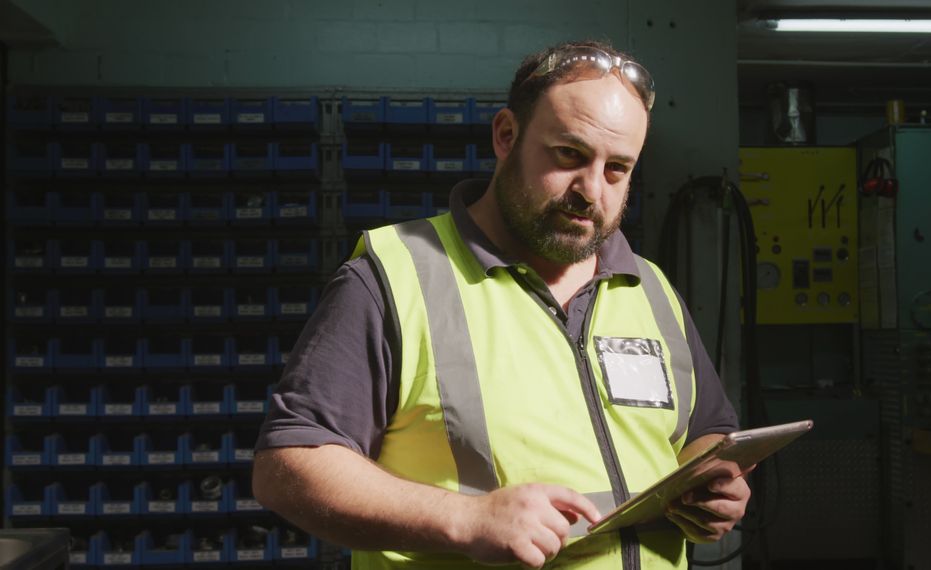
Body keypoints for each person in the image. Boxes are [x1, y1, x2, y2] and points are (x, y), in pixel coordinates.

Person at [252, 40, 750, 569]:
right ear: (506, 135)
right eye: (569, 155)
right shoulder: (396, 276)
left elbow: (705, 433)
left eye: (616, 170)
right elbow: (289, 466)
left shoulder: (649, 288)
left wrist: (715, 485)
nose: (591, 191)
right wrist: (464, 520)